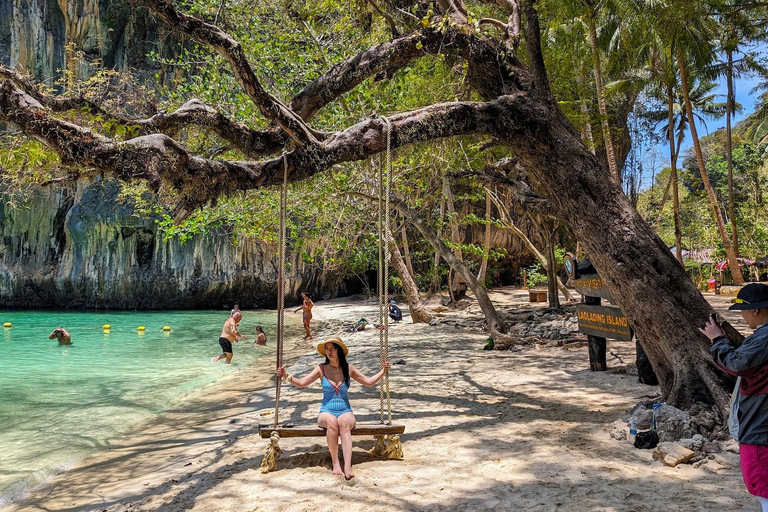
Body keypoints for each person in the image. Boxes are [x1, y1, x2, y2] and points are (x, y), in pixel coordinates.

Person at [276, 335, 391, 480]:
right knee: (332, 422)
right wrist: (286, 376)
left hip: (345, 410)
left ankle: (347, 465)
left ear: (339, 351)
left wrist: (383, 371)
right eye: (327, 348)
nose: (329, 351)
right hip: (326, 411)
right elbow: (302, 383)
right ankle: (336, 462)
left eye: (333, 348)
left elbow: (368, 382)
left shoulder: (348, 368)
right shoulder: (321, 369)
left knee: (343, 423)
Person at [700, 283, 768, 512]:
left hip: (760, 428)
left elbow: (737, 364)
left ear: (756, 310)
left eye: (743, 310)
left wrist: (718, 339)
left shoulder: (764, 338)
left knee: (763, 489)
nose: (743, 315)